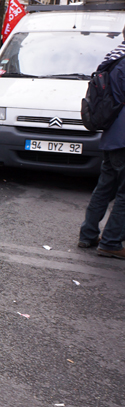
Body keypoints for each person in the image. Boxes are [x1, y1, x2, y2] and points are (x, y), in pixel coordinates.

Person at [78, 36, 125, 259]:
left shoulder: (113, 58)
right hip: (124, 138)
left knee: (105, 187)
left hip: (112, 135)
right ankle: (111, 242)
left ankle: (88, 234)